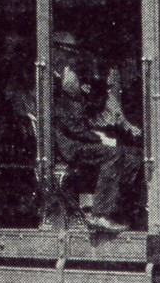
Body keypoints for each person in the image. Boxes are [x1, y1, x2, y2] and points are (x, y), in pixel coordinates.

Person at [51, 31, 141, 232]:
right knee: (113, 155)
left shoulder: (77, 97)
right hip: (71, 146)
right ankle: (100, 214)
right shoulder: (63, 98)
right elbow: (75, 130)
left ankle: (118, 208)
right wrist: (99, 138)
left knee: (134, 157)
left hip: (80, 140)